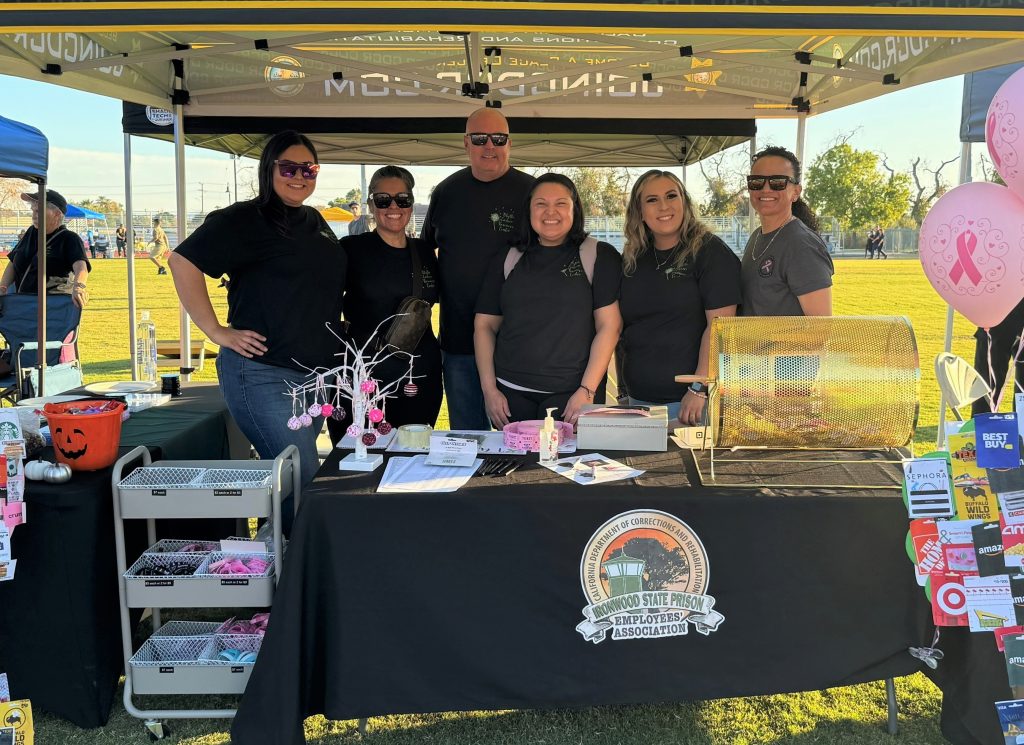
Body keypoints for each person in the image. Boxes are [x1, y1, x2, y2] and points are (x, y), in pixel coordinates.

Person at [169, 130, 347, 531]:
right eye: (289, 168)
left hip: (314, 377)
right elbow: (183, 262)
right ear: (270, 170)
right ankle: (295, 569)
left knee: (294, 480)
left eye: (309, 168)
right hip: (263, 373)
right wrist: (216, 331)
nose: (299, 176)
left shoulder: (314, 219)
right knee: (298, 473)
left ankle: (283, 560)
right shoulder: (244, 219)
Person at [474, 173, 622, 426]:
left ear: (575, 209)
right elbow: (484, 326)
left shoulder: (598, 255)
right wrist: (490, 391)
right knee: (516, 466)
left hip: (573, 396)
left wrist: (586, 391)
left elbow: (610, 327)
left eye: (561, 203)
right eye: (541, 203)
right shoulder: (509, 257)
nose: (550, 212)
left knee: (571, 466)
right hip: (511, 395)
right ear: (529, 210)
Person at [421, 108, 535, 429]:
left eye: (498, 139)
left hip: (517, 345)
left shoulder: (533, 193)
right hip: (459, 342)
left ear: (509, 143)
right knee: (467, 439)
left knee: (518, 440)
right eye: (480, 138)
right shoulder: (446, 192)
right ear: (465, 143)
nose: (489, 146)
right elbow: (423, 253)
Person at [326, 166, 442, 446]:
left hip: (419, 374)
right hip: (365, 375)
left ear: (411, 204)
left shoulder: (425, 252)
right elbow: (319, 300)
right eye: (383, 200)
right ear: (370, 205)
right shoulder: (351, 249)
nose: (393, 207)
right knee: (359, 457)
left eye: (402, 199)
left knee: (415, 452)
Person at [618, 170, 741, 425]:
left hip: (690, 403)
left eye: (671, 196)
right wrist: (623, 391)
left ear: (684, 201)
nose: (664, 206)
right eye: (652, 200)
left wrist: (699, 387)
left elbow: (720, 328)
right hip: (639, 400)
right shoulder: (634, 257)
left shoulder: (709, 251)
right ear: (639, 211)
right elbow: (626, 329)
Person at [741, 145, 834, 316]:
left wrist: (760, 335)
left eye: (778, 182)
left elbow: (820, 331)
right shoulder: (756, 237)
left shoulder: (802, 245)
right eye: (757, 181)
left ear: (796, 192)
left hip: (783, 345)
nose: (766, 189)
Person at [0, 189, 90, 309]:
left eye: (38, 211)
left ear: (57, 214)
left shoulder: (69, 238)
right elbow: (13, 262)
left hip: (52, 307)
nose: (33, 215)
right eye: (33, 210)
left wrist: (79, 287)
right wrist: (2, 287)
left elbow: (81, 267)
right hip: (22, 304)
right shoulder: (31, 232)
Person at [972, 297, 1024, 416]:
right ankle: (982, 430)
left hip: (997, 312)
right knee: (986, 385)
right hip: (996, 311)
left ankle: (1021, 430)